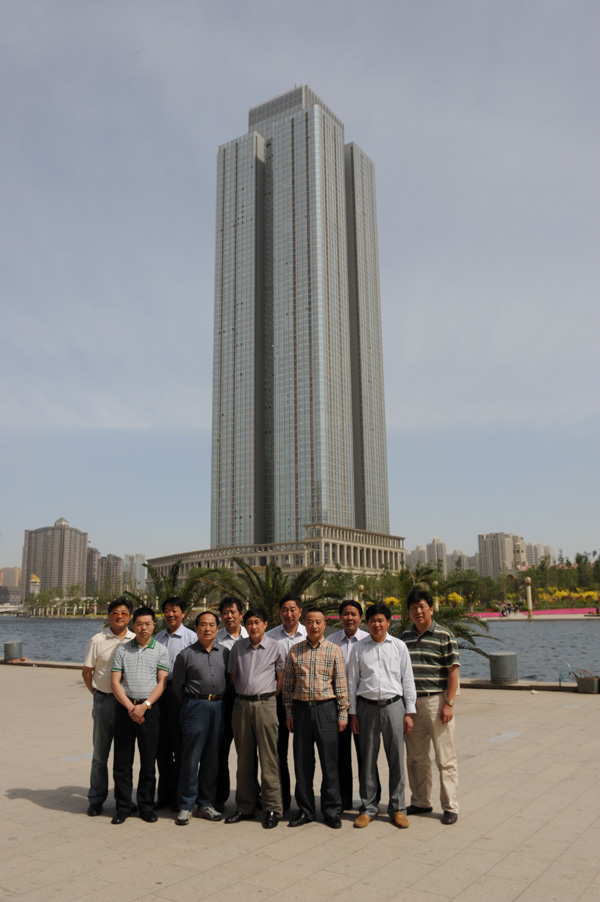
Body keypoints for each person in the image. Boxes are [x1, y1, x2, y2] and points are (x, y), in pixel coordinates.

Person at [347, 603, 416, 829]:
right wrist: (353, 714)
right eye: (372, 621)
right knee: (367, 759)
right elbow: (352, 682)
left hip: (394, 706)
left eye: (381, 620)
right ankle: (368, 808)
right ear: (367, 623)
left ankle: (398, 808)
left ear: (388, 622)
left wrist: (409, 712)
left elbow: (407, 680)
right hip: (366, 708)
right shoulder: (359, 648)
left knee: (396, 758)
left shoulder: (399, 646)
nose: (377, 624)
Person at [283, 606, 349, 829]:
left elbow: (341, 684)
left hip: (326, 710)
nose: (314, 626)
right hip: (301, 711)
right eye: (310, 622)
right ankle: (305, 810)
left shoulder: (334, 650)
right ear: (305, 624)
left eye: (318, 622)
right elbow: (288, 686)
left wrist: (342, 713)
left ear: (324, 624)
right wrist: (289, 713)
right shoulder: (295, 651)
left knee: (330, 763)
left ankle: (331, 810)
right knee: (302, 763)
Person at [401, 588, 460, 825]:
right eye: (413, 608)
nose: (418, 611)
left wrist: (449, 703)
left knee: (445, 758)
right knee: (416, 758)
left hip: (437, 702)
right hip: (412, 705)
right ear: (409, 612)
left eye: (422, 607)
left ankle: (450, 806)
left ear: (431, 609)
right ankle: (420, 801)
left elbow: (453, 671)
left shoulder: (445, 635)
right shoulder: (404, 639)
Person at [225, 606, 285, 829]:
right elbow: (233, 677)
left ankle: (272, 808)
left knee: (269, 758)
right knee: (244, 759)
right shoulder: (238, 647)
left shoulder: (276, 647)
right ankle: (245, 807)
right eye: (249, 623)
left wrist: (268, 696)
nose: (253, 626)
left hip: (265, 704)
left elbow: (280, 678)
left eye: (257, 622)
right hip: (241, 705)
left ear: (266, 624)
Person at [110, 606, 169, 824]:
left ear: (154, 626)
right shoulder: (123, 650)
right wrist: (131, 708)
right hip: (125, 710)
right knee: (122, 762)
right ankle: (123, 807)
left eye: (148, 624)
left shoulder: (161, 650)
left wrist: (145, 706)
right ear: (133, 626)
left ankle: (146, 806)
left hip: (149, 712)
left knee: (148, 762)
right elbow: (115, 683)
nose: (144, 628)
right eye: (139, 624)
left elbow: (162, 683)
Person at [172, 611, 229, 826]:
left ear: (217, 629)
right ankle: (186, 805)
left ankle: (206, 803)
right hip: (195, 706)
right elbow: (177, 687)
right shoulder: (186, 655)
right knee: (191, 757)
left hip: (218, 707)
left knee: (212, 757)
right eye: (203, 625)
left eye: (212, 625)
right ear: (196, 628)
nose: (207, 629)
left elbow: (229, 681)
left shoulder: (225, 653)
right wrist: (192, 703)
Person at [82, 597, 135, 816]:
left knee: (125, 756)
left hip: (128, 704)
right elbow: (87, 672)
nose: (119, 616)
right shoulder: (98, 640)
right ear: (109, 615)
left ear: (130, 616)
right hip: (104, 700)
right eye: (115, 612)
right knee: (100, 755)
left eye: (124, 613)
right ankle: (96, 799)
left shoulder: (135, 639)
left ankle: (124, 800)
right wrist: (97, 694)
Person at [154, 596, 197, 810]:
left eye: (175, 610)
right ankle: (164, 795)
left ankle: (181, 797)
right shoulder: (158, 637)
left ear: (183, 613)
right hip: (159, 693)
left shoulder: (191, 637)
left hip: (181, 693)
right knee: (162, 746)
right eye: (167, 610)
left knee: (180, 746)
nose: (171, 614)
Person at [328, 599, 370, 810]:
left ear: (361, 617)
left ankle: (369, 799)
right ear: (340, 617)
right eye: (345, 614)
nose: (349, 618)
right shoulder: (331, 641)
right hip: (337, 705)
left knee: (365, 754)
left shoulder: (368, 640)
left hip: (363, 704)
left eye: (353, 614)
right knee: (341, 755)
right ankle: (343, 800)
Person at [266, 594, 307, 811]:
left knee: (303, 754)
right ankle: (280, 800)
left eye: (293, 609)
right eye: (284, 610)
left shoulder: (310, 634)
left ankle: (304, 803)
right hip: (278, 701)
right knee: (278, 753)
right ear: (279, 612)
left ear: (300, 611)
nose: (288, 614)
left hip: (304, 700)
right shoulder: (270, 637)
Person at [215, 596, 249, 811]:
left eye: (233, 612)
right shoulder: (215, 638)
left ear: (241, 614)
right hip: (223, 701)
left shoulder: (251, 635)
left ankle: (251, 796)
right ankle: (219, 797)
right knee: (220, 750)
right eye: (225, 612)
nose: (229, 616)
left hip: (246, 699)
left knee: (248, 752)